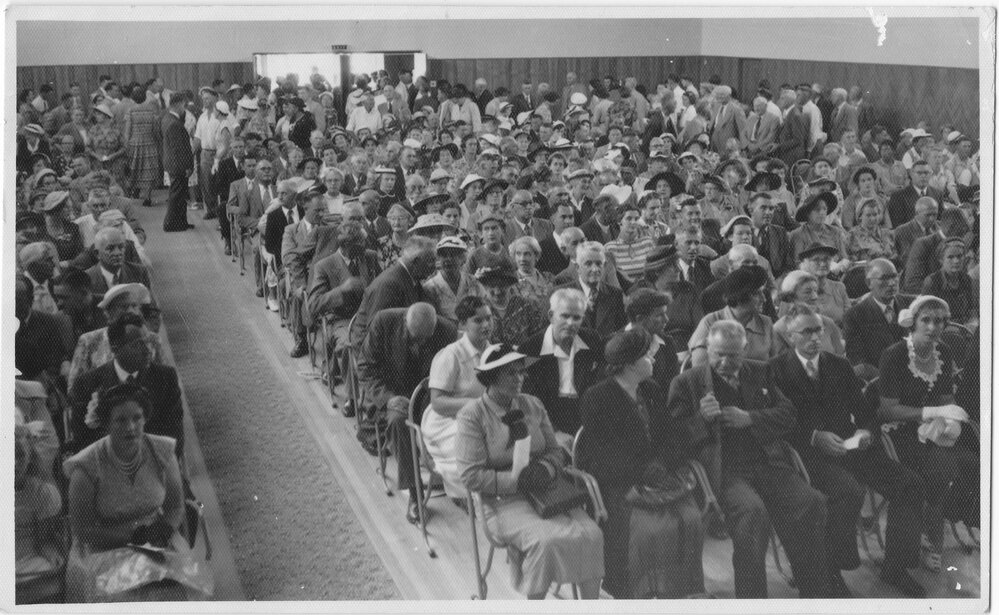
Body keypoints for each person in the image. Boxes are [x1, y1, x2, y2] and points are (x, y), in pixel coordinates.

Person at [770, 305, 927, 597]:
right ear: (791, 337)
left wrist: (865, 430)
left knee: (910, 484)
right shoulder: (776, 371)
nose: (816, 336)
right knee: (848, 492)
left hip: (852, 446)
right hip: (809, 455)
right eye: (807, 331)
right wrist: (814, 437)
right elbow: (778, 424)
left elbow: (867, 409)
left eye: (819, 329)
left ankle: (896, 567)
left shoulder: (838, 365)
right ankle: (831, 571)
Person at [666, 320, 830, 598]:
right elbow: (672, 442)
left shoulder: (760, 371)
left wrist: (750, 418)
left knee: (812, 502)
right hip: (725, 471)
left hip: (769, 463)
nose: (726, 362)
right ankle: (752, 599)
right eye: (719, 354)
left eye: (734, 355)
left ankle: (815, 593)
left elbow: (789, 416)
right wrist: (702, 420)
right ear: (707, 349)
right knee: (753, 513)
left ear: (744, 351)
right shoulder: (687, 383)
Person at [455, 343, 604, 599]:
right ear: (491, 377)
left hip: (546, 490)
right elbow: (471, 476)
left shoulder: (532, 404)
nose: (520, 378)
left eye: (521, 372)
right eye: (511, 373)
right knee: (545, 543)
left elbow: (556, 452)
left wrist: (545, 469)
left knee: (591, 534)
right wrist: (516, 481)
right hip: (501, 501)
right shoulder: (472, 416)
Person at [577, 328, 705, 598]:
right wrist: (642, 472)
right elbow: (601, 455)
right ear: (630, 364)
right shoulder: (596, 398)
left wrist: (661, 462)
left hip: (657, 475)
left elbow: (670, 434)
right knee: (649, 530)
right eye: (648, 355)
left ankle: (679, 593)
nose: (654, 360)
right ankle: (638, 595)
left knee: (691, 518)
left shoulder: (650, 388)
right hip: (618, 483)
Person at [64, 382, 209, 602]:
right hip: (102, 549)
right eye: (121, 420)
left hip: (156, 542)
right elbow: (83, 530)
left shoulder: (161, 451)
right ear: (106, 424)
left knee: (177, 588)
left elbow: (175, 506)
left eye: (137, 418)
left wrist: (164, 529)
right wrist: (133, 537)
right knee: (123, 596)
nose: (131, 427)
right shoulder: (86, 466)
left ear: (145, 418)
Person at [877, 295, 979, 572]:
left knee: (973, 462)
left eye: (939, 321)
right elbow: (887, 411)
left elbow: (946, 397)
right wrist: (929, 413)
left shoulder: (942, 351)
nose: (933, 327)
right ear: (913, 322)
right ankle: (930, 537)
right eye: (926, 320)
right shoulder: (895, 354)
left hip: (931, 430)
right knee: (941, 470)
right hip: (897, 432)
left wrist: (949, 420)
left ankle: (933, 526)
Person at [356, 303, 457, 523]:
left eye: (425, 340)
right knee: (399, 422)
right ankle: (415, 493)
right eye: (414, 338)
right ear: (404, 323)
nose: (420, 344)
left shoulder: (447, 331)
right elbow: (364, 368)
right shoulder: (383, 322)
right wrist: (388, 398)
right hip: (393, 397)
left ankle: (459, 484)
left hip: (428, 398)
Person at [69, 312, 184, 458]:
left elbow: (174, 436)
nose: (148, 350)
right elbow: (82, 441)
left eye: (148, 341)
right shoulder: (87, 384)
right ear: (115, 349)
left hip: (155, 464)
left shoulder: (165, 378)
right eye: (137, 345)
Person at [421, 296, 493, 496]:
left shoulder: (494, 351)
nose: (486, 325)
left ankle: (494, 491)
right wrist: (477, 404)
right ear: (462, 324)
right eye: (478, 321)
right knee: (474, 446)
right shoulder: (450, 355)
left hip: (482, 415)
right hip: (445, 420)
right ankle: (466, 496)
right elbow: (438, 402)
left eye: (489, 318)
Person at [519, 288, 605, 441]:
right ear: (551, 316)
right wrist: (554, 432)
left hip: (585, 416)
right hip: (547, 419)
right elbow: (529, 401)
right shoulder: (530, 349)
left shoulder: (592, 341)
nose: (570, 323)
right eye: (564, 316)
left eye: (576, 317)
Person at [68, 283, 164, 391]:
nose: (130, 311)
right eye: (123, 306)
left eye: (134, 306)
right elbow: (74, 387)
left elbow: (163, 382)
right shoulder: (89, 341)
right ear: (108, 313)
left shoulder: (153, 340)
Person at [348, 235, 438, 349]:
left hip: (395, 344)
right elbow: (376, 331)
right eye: (431, 261)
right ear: (416, 262)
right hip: (372, 352)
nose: (435, 267)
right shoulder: (389, 284)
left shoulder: (411, 278)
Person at [689, 265, 776, 366]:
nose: (764, 299)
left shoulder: (766, 323)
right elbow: (700, 371)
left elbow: (776, 368)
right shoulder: (710, 322)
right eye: (757, 293)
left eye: (763, 292)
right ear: (740, 294)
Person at [15, 423, 64, 604]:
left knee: (48, 575)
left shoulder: (39, 492)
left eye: (20, 455)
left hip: (31, 556)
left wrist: (51, 554)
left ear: (30, 457)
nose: (14, 463)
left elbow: (43, 540)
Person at [558, 241, 626, 336]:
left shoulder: (615, 294)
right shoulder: (561, 295)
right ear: (577, 267)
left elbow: (621, 331)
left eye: (599, 264)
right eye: (588, 264)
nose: (595, 269)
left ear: (605, 266)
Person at [773, 271, 845, 356]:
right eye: (808, 292)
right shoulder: (780, 329)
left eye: (815, 291)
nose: (815, 297)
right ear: (791, 296)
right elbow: (781, 364)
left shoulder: (828, 323)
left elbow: (841, 357)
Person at [476, 261, 547, 347]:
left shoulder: (525, 305)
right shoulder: (478, 310)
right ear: (485, 286)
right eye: (492, 286)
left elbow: (538, 337)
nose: (497, 291)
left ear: (509, 285)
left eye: (502, 285)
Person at [921, 238, 977, 325]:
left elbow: (972, 310)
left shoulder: (967, 279)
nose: (956, 261)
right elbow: (927, 316)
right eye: (950, 257)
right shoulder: (932, 282)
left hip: (964, 328)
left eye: (959, 256)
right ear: (941, 260)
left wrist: (973, 323)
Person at [85, 227, 152, 299]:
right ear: (97, 254)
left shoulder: (139, 272)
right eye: (110, 248)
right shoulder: (86, 279)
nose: (117, 253)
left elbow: (151, 307)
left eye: (121, 247)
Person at [161, 93, 194, 232]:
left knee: (180, 195)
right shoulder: (174, 123)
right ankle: (170, 224)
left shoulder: (167, 119)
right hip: (177, 165)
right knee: (176, 196)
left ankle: (181, 222)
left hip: (173, 163)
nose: (184, 109)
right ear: (179, 104)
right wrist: (185, 167)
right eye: (184, 105)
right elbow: (178, 150)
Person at [797, 242, 851, 325]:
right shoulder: (795, 289)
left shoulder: (839, 287)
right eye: (816, 260)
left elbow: (850, 319)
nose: (822, 264)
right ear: (806, 263)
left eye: (826, 259)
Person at [846, 198, 897, 263]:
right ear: (860, 216)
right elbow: (847, 262)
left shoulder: (888, 234)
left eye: (875, 214)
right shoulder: (852, 236)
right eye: (868, 215)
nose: (872, 219)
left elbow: (896, 256)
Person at [43, 191, 85, 265]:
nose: (70, 210)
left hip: (71, 271)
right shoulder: (39, 229)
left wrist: (70, 263)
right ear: (55, 209)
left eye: (70, 207)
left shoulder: (72, 228)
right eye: (66, 207)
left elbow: (80, 254)